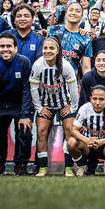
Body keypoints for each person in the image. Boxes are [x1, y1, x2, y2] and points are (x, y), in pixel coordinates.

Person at [30, 36, 79, 177]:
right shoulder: (38, 65)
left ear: (58, 51)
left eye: (51, 48)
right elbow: (33, 88)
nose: (48, 51)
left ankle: (69, 168)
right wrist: (39, 108)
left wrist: (72, 107)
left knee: (69, 131)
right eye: (45, 48)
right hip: (46, 104)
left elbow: (73, 89)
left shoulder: (66, 65)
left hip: (64, 103)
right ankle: (42, 168)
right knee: (41, 131)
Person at [0, 33, 32, 176]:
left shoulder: (24, 62)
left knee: (24, 129)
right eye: (2, 46)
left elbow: (26, 90)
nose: (5, 49)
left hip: (17, 104)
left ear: (16, 48)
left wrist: (25, 114)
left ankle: (21, 166)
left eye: (9, 46)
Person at [68, 85, 105, 177]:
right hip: (88, 145)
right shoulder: (84, 108)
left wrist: (101, 142)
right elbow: (73, 130)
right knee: (71, 142)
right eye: (94, 99)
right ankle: (82, 166)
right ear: (90, 99)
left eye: (101, 99)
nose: (97, 102)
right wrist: (87, 140)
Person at [48, 2, 93, 76]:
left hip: (72, 80)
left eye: (77, 11)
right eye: (71, 10)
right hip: (51, 78)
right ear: (66, 14)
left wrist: (87, 85)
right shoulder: (53, 30)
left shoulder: (86, 38)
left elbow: (86, 67)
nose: (74, 13)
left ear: (81, 16)